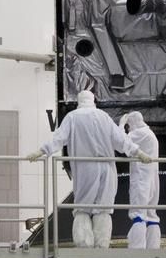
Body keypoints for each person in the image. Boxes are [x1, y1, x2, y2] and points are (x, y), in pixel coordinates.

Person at [28, 89, 151, 247]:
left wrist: (41, 151)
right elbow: (121, 140)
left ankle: (84, 247)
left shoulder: (72, 117)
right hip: (107, 168)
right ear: (93, 100)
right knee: (104, 209)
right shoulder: (103, 116)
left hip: (85, 168)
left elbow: (58, 139)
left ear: (79, 101)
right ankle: (101, 247)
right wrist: (138, 152)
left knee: (82, 209)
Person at [120, 111, 160, 249]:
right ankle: (153, 248)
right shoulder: (150, 134)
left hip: (141, 179)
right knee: (151, 215)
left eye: (129, 125)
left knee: (138, 215)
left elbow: (122, 142)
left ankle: (137, 251)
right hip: (151, 179)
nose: (129, 128)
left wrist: (120, 125)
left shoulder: (141, 133)